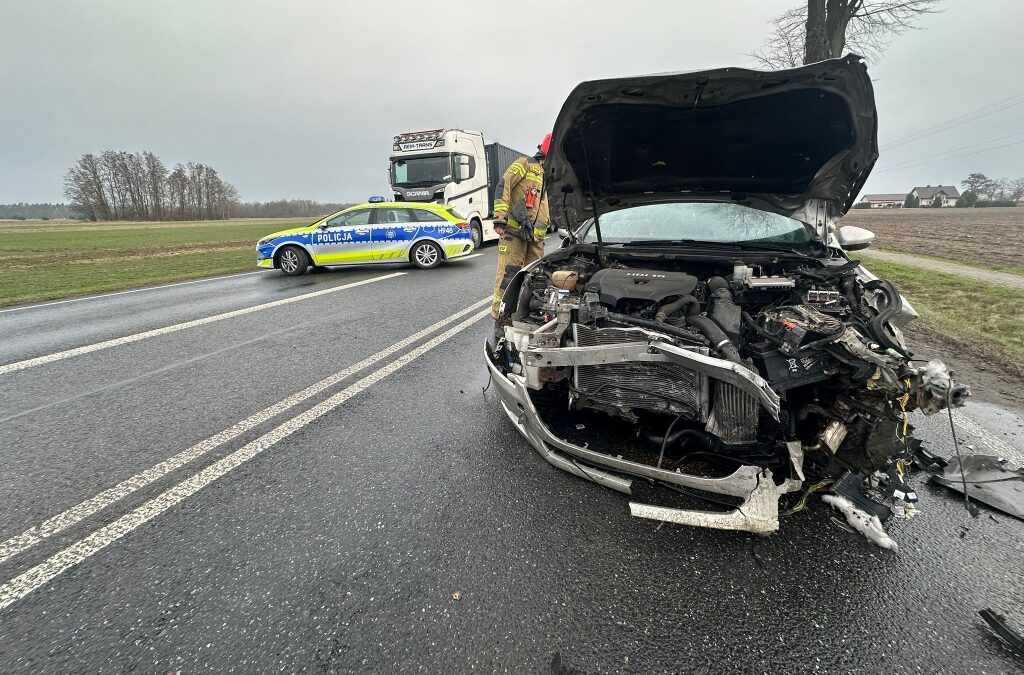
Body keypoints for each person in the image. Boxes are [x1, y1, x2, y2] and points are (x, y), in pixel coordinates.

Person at [489, 133, 552, 331]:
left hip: (535, 238)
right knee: (509, 275)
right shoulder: (524, 164)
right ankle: (501, 318)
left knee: (534, 278)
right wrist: (500, 218)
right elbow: (503, 186)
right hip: (515, 233)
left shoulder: (548, 174)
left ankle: (525, 315)